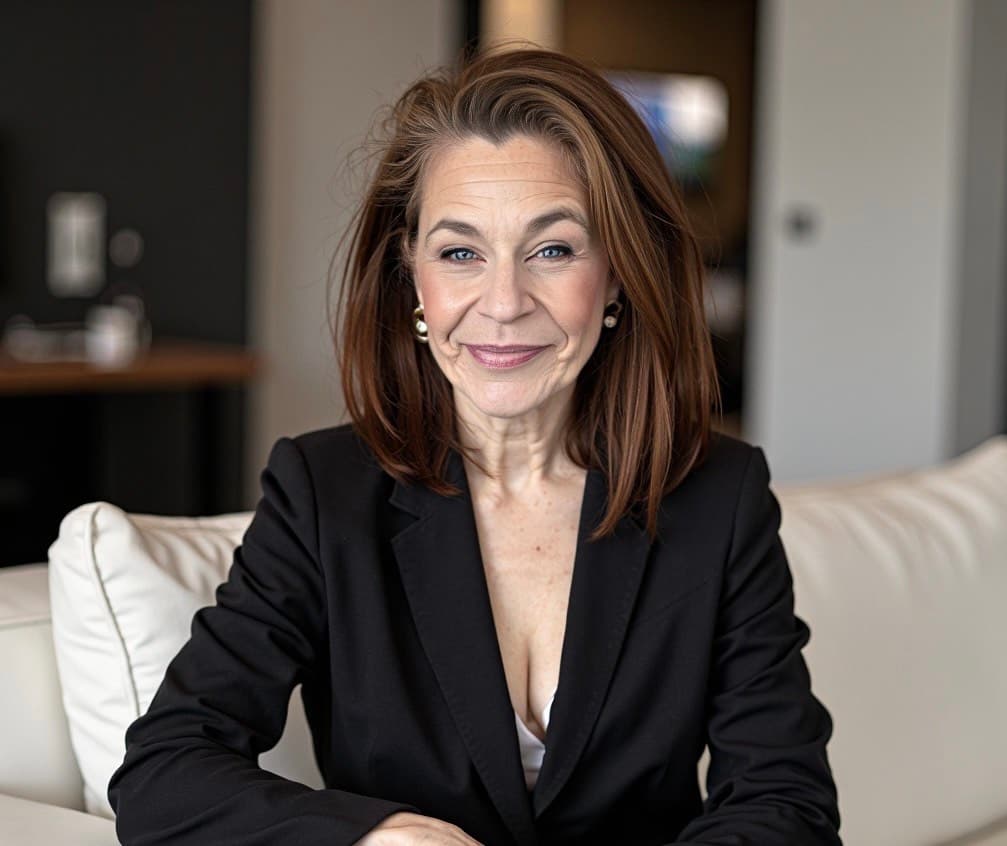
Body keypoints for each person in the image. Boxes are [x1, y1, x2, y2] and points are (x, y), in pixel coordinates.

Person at [108, 45, 841, 846]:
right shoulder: (323, 492)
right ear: (411, 279)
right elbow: (165, 771)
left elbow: (784, 804)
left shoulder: (719, 496)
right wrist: (379, 837)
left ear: (620, 274)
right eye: (460, 253)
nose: (501, 303)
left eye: (552, 250)